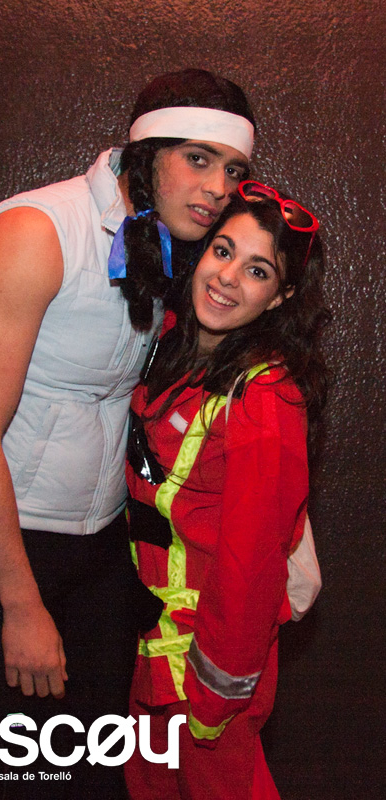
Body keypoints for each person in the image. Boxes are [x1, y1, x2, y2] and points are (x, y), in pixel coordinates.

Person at [0, 68, 256, 798]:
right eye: (197, 158)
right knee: (34, 765)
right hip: (0, 532)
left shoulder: (174, 241)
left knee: (101, 761)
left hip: (97, 532)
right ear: (145, 154)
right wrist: (19, 605)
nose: (217, 186)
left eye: (233, 169)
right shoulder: (36, 231)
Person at [125, 182, 330, 800]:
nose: (227, 278)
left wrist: (215, 697)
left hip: (204, 675)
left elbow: (250, 568)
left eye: (258, 270)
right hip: (151, 652)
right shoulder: (172, 348)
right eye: (222, 251)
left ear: (281, 296)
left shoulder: (265, 397)